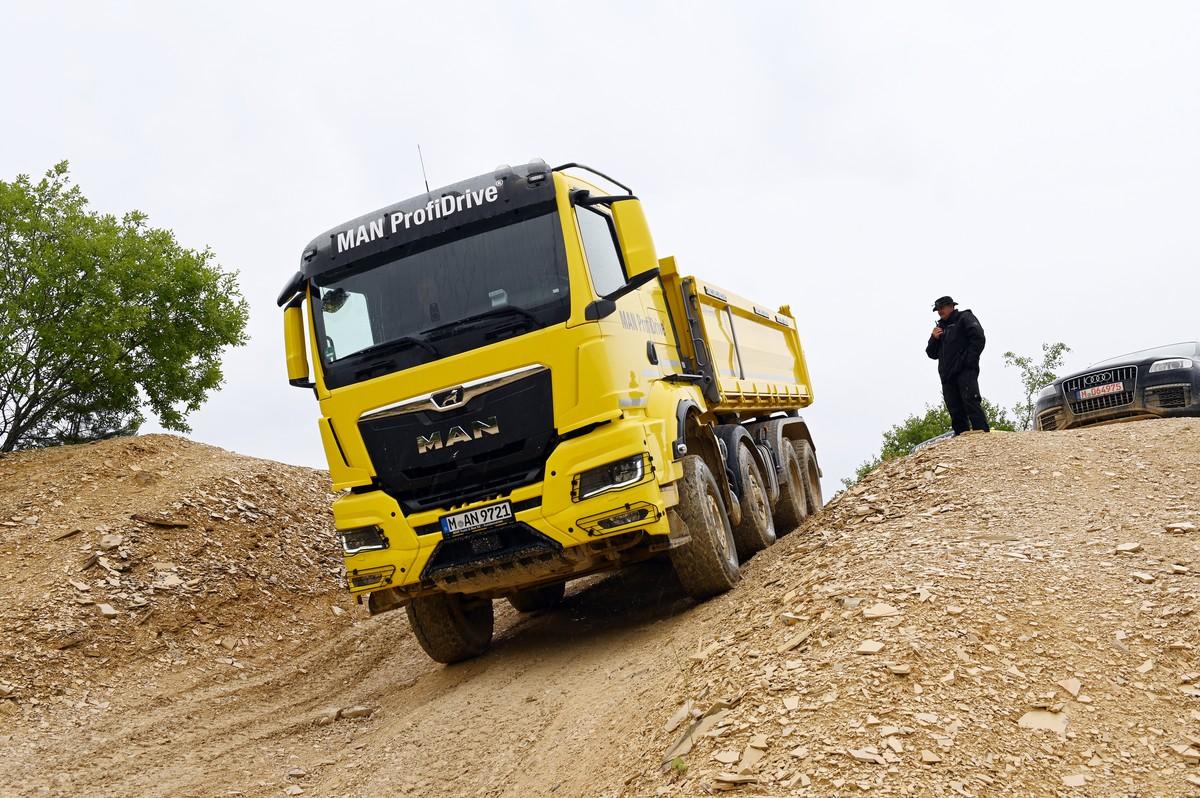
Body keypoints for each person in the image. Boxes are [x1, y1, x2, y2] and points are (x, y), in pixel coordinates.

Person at [925, 296, 990, 435]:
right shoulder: (940, 328)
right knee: (955, 410)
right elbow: (931, 353)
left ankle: (984, 438)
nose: (939, 312)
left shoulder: (964, 318)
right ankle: (961, 441)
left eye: (941, 308)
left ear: (951, 306)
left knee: (970, 402)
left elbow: (979, 337)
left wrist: (969, 362)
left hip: (965, 371)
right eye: (937, 309)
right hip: (947, 376)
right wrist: (933, 339)